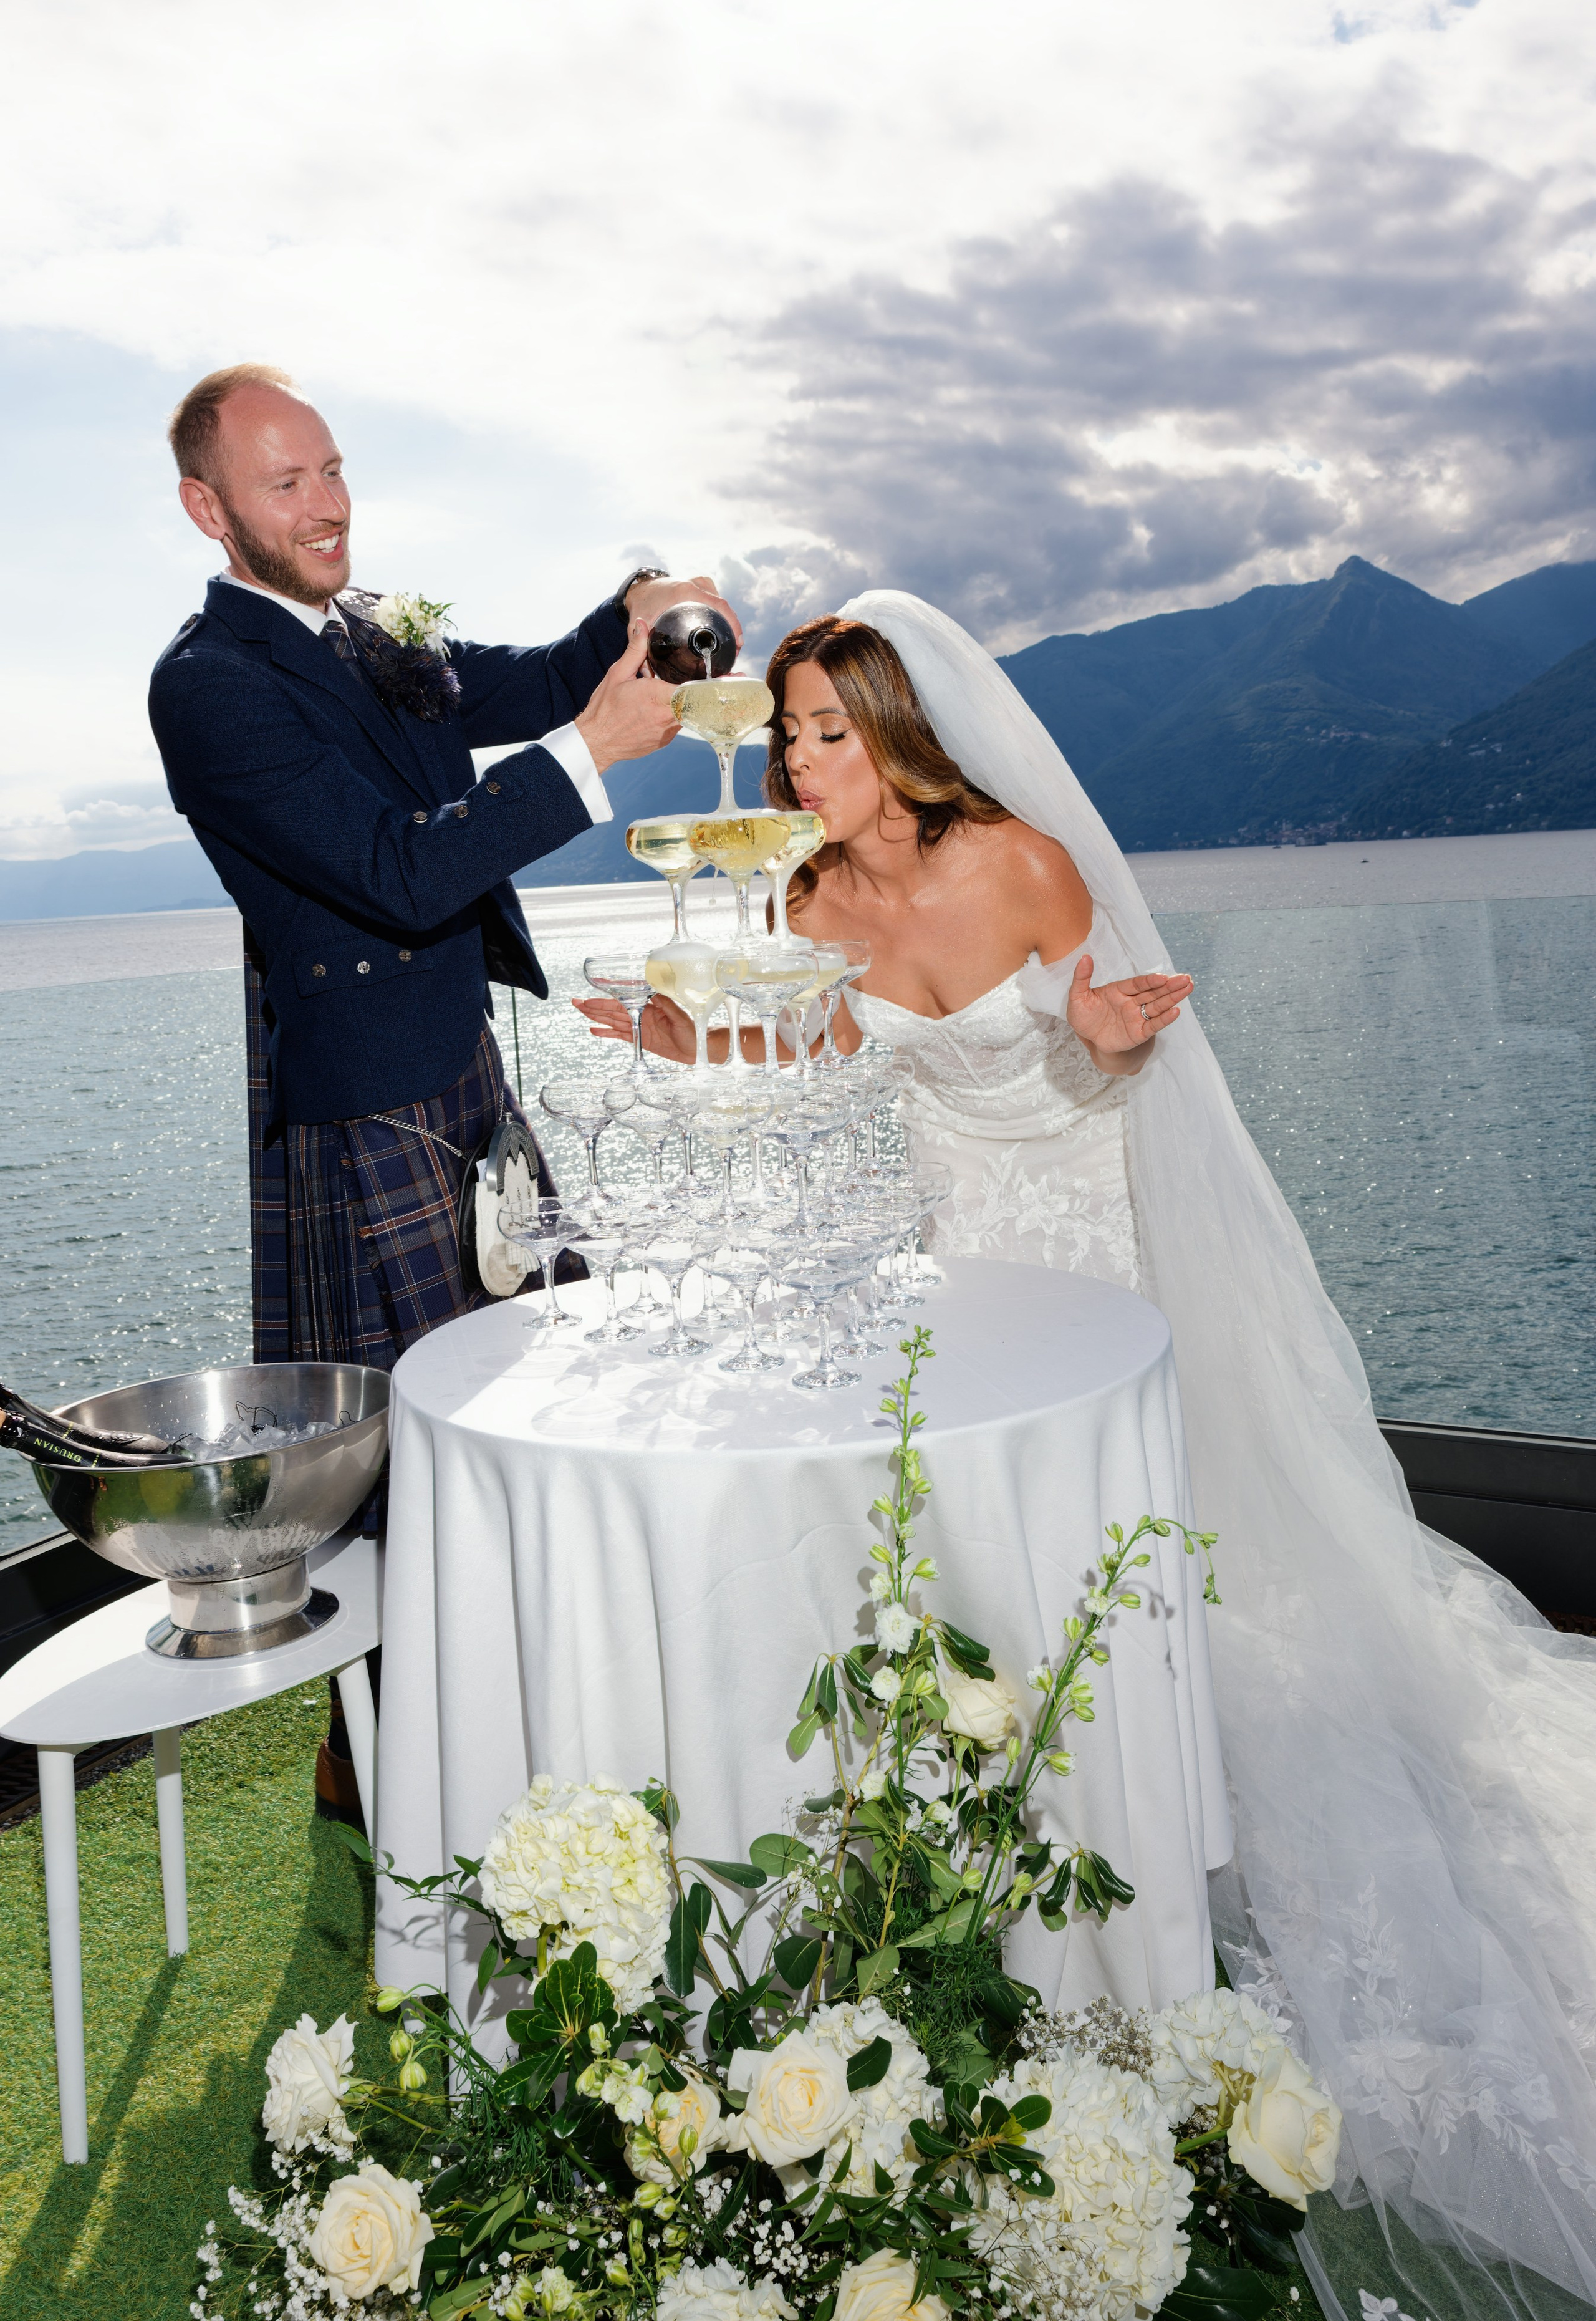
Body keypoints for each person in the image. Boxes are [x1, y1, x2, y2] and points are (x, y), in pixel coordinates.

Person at [579, 593, 1596, 2321]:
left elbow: (1105, 1047)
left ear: (900, 735)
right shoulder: (802, 895)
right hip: (941, 1292)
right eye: (794, 733)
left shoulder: (1028, 862)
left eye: (832, 730)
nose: (803, 760)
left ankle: (1150, 1854)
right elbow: (819, 1054)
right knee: (966, 1598)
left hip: (1088, 1273)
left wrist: (1112, 1041)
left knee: (1150, 1611)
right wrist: (683, 1035)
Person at [148, 359, 738, 1809]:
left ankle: (529, 1704)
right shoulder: (209, 685)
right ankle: (402, 1756)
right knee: (415, 1446)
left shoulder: (367, 629)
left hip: (461, 1066)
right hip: (363, 1102)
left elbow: (533, 678)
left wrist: (636, 601)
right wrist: (592, 754)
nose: (329, 504)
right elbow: (401, 873)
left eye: (334, 468)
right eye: (287, 484)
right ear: (206, 508)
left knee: (537, 1388)